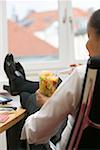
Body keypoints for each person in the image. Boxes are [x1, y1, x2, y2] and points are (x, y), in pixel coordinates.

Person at [3, 9, 100, 149]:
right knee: (58, 83)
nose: (86, 45)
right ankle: (20, 85)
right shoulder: (84, 74)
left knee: (31, 100)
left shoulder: (83, 76)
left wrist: (46, 105)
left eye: (89, 36)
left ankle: (20, 88)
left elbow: (33, 133)